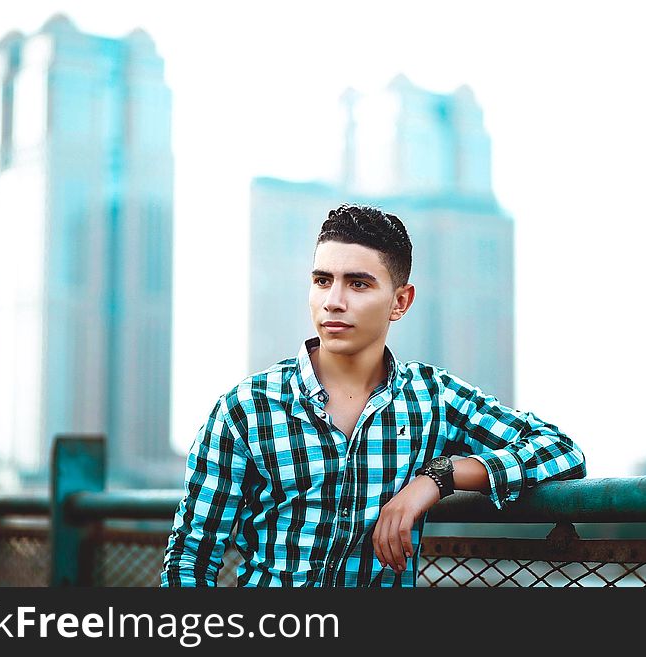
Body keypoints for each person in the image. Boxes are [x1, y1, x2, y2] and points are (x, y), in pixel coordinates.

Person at [161, 204, 586, 587]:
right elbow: (189, 562)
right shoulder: (247, 407)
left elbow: (561, 451)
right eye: (322, 280)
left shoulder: (431, 398)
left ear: (399, 302)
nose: (333, 301)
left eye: (358, 284)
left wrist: (437, 478)